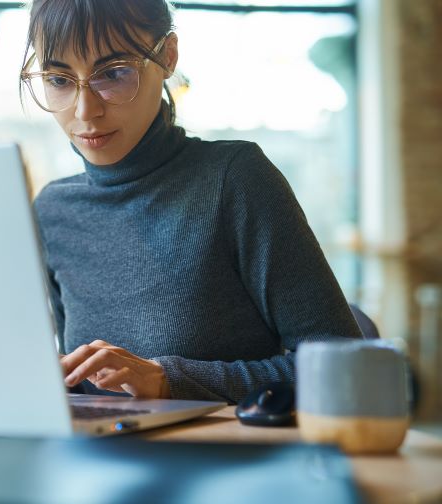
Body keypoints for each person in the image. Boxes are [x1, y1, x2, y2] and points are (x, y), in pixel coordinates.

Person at [21, 0, 363, 404]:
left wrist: (170, 380)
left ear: (167, 56)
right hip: (97, 458)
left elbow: (347, 368)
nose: (85, 110)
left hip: (223, 459)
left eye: (113, 74)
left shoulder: (235, 178)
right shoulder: (52, 211)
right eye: (59, 79)